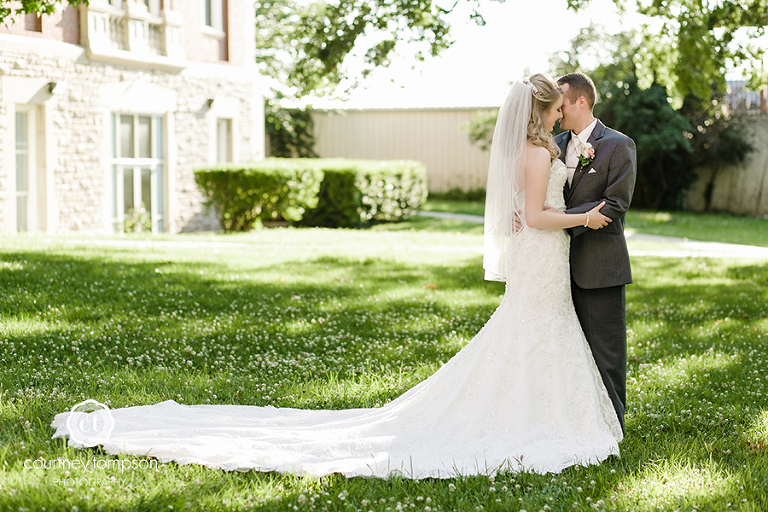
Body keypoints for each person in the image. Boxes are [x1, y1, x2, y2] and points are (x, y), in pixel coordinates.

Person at [52, 74, 623, 480]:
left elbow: (521, 216)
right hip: (543, 256)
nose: (557, 119)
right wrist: (586, 217)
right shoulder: (535, 153)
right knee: (529, 334)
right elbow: (540, 215)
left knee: (528, 336)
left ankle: (534, 408)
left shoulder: (536, 149)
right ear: (543, 111)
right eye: (553, 112)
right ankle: (534, 417)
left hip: (543, 261)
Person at [555, 72, 637, 434]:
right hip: (554, 265)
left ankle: (612, 427)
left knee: (606, 352)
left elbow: (615, 204)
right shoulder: (552, 144)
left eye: (561, 103)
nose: (557, 111)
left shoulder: (618, 144)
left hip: (601, 265)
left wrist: (559, 221)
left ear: (581, 102)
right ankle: (574, 423)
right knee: (565, 352)